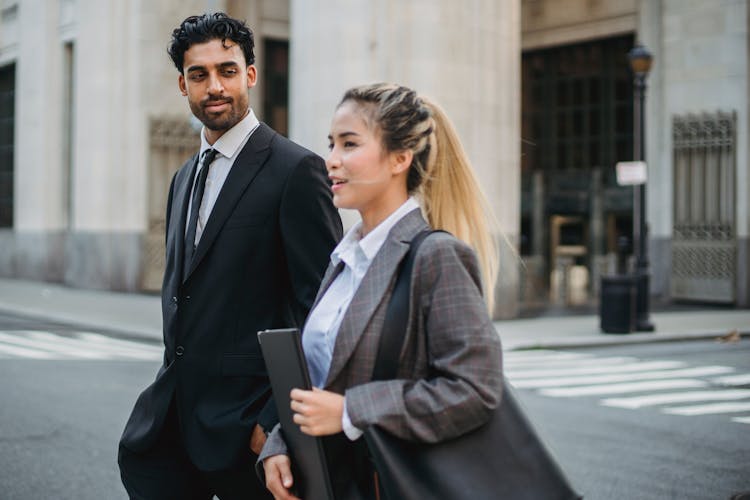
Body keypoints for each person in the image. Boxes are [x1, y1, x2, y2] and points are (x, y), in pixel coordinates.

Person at [118, 12, 342, 500]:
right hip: (172, 424)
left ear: (251, 75)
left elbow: (323, 310)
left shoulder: (295, 171)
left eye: (228, 70)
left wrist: (274, 422)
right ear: (183, 84)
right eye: (199, 75)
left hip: (249, 433)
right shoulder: (183, 177)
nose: (214, 86)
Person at [259, 83, 504, 499]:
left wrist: (352, 410)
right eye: (331, 144)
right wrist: (279, 442)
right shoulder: (343, 259)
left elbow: (475, 389)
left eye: (349, 144)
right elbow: (325, 378)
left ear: (400, 159)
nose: (331, 161)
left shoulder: (436, 256)